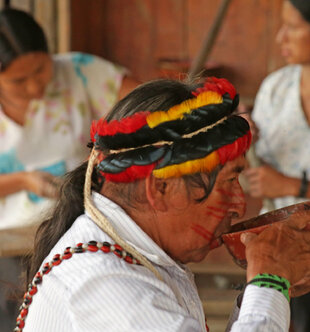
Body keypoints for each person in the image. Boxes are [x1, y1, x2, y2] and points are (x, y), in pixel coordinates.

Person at [15, 77, 310, 332]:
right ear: (160, 187)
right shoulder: (101, 281)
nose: (239, 205)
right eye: (230, 182)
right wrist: (268, 279)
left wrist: (264, 291)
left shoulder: (130, 254)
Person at [0, 5, 138, 229]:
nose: (34, 86)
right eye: (18, 81)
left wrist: (102, 153)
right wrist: (24, 181)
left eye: (40, 70)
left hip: (83, 222)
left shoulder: (80, 71)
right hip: (6, 239)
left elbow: (147, 104)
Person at [244, 1, 310, 331]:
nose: (280, 37)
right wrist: (242, 137)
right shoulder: (276, 89)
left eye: (294, 27)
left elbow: (278, 182)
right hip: (295, 252)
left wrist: (291, 186)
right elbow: (252, 175)